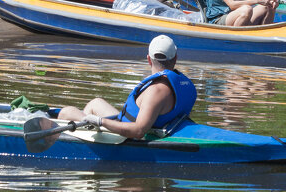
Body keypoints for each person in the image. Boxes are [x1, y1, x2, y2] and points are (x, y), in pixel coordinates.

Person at [57, 35, 197, 140]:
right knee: (96, 103)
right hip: (126, 123)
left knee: (66, 112)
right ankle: (86, 133)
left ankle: (82, 140)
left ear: (148, 59)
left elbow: (138, 131)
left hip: (125, 136)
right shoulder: (181, 84)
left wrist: (101, 122)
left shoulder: (156, 90)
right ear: (175, 58)